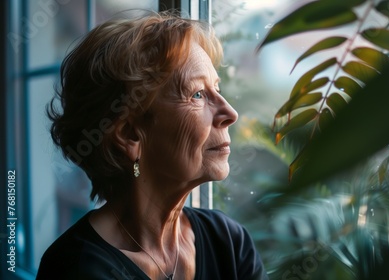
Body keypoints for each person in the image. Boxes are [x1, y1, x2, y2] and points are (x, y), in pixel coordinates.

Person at [37, 11, 267, 280]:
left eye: (218, 89)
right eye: (198, 94)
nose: (230, 112)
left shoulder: (228, 242)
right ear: (130, 134)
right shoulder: (76, 270)